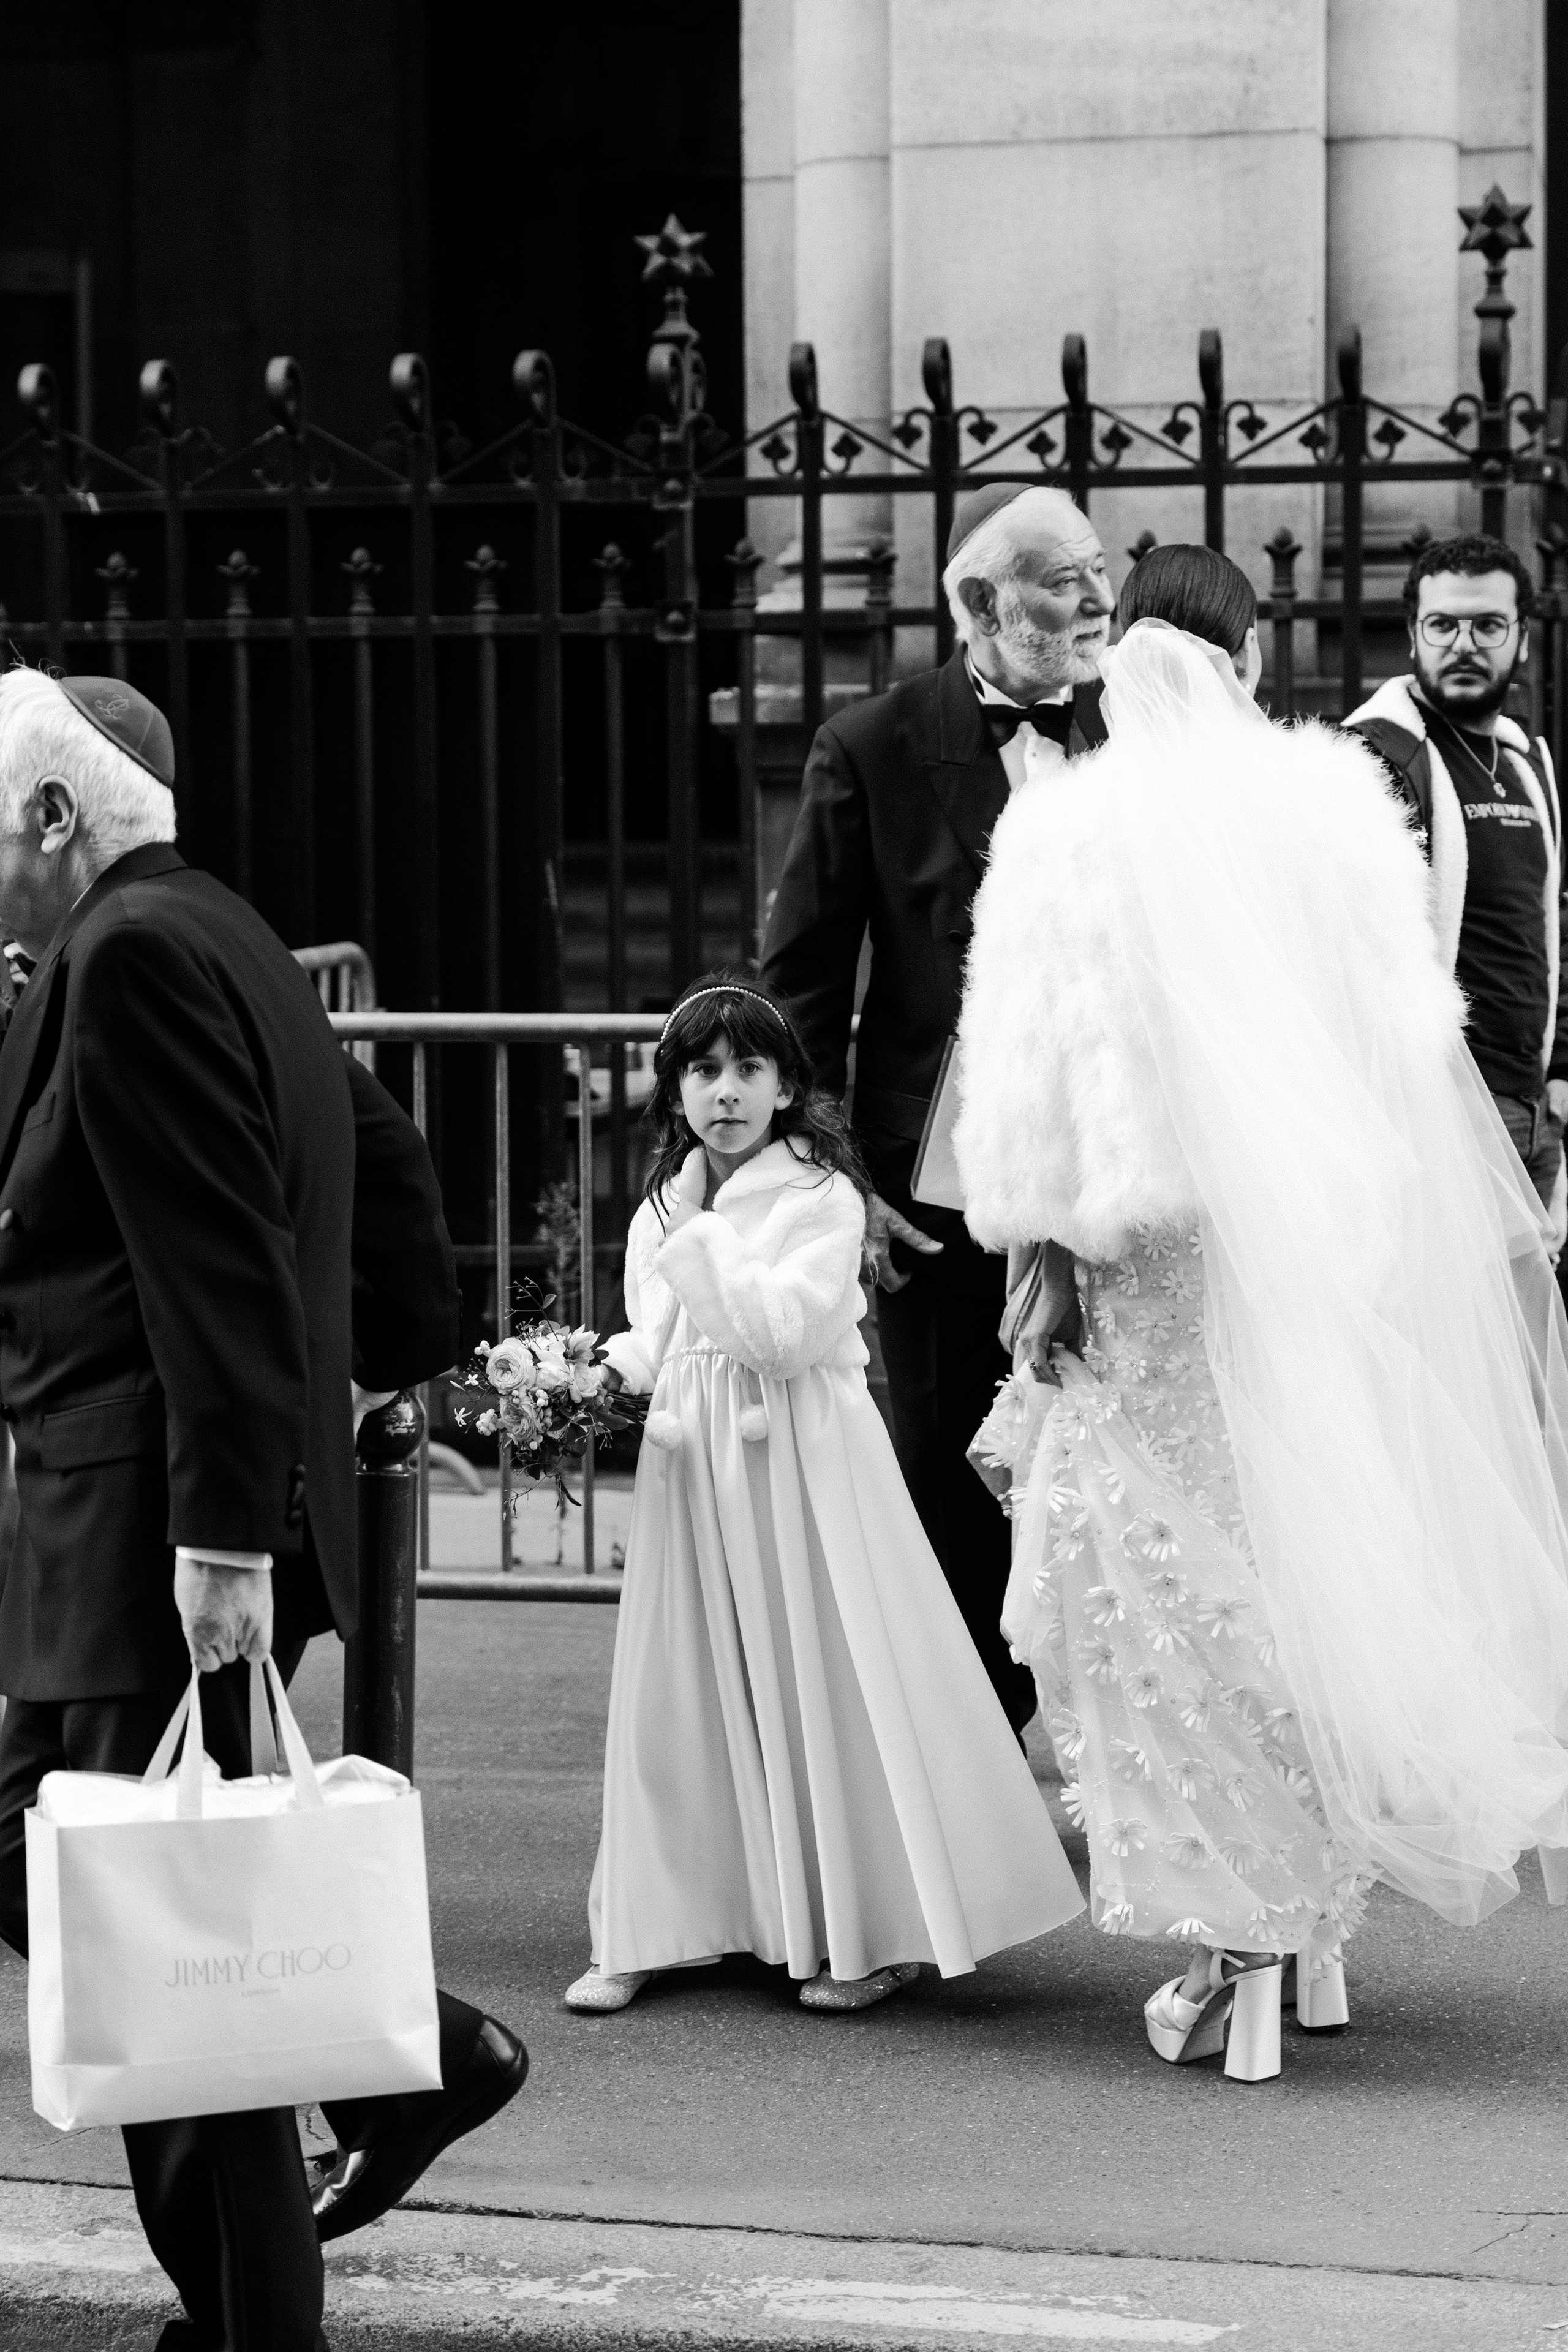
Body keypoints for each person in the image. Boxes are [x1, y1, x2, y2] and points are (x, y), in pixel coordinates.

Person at [954, 549, 1568, 2085]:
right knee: (1300, 1551)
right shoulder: (1323, 808)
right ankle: (1306, 1938)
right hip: (1292, 1260)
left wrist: (1037, 1256)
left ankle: (1233, 1936)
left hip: (1137, 1260)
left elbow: (1017, 1081)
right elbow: (1405, 1045)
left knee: (1142, 1574)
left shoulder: (1064, 826)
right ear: (1251, 645)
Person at [0, 668, 526, 2352]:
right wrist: (370, 1375)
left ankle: (261, 2312)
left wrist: (232, 1527)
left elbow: (215, 1259)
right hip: (146, 1520)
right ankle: (405, 2077)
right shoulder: (212, 929)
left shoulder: (137, 954)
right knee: (138, 1909)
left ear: (54, 816)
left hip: (153, 1535)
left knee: (180, 1940)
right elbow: (385, 1175)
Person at [563, 971, 1084, 2017]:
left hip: (798, 1454)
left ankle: (862, 1928)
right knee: (684, 1690)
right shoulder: (664, 1202)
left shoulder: (821, 1197)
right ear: (674, 1093)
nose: (727, 1092)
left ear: (788, 1088)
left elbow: (781, 1333)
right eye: (704, 1071)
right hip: (695, 1461)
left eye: (750, 1069)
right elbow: (665, 1341)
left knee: (827, 1675)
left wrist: (704, 1243)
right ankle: (658, 1921)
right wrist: (574, 1376)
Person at [763, 484, 1115, 1735]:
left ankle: (1118, 1738)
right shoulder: (869, 745)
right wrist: (835, 1176)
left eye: (1097, 569)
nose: (1094, 598)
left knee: (1112, 1462)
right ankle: (963, 1751)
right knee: (947, 1468)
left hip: (1117, 1175)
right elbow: (800, 980)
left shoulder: (1136, 733)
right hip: (939, 1184)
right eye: (1060, 577)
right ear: (976, 601)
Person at [1345, 533, 1567, 1238]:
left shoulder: (1527, 760)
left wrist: (1559, 1072)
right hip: (1443, 1122)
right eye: (1442, 625)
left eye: (1487, 625)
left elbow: (1548, 925)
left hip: (1535, 1115)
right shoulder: (1376, 757)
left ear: (1521, 641)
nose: (1463, 643)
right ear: (1413, 636)